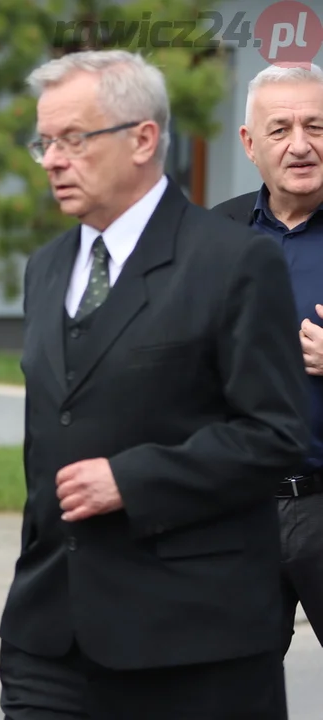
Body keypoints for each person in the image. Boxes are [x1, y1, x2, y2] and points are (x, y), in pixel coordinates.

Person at [0, 49, 310, 719]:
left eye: (73, 139)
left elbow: (276, 434)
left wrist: (133, 481)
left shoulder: (234, 261)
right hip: (49, 632)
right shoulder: (47, 268)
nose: (53, 159)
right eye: (44, 142)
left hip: (191, 637)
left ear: (143, 139)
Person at [212, 62, 323, 655]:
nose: (301, 145)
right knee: (226, 693)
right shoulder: (211, 236)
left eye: (317, 126)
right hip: (237, 514)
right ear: (250, 144)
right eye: (280, 129)